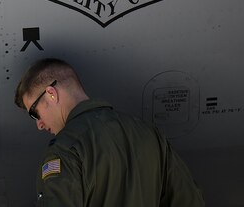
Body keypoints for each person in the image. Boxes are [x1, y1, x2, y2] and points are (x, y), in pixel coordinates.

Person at [14, 58, 204, 206]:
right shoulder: (150, 134)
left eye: (35, 114)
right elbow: (189, 201)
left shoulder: (65, 150)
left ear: (51, 93)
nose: (39, 125)